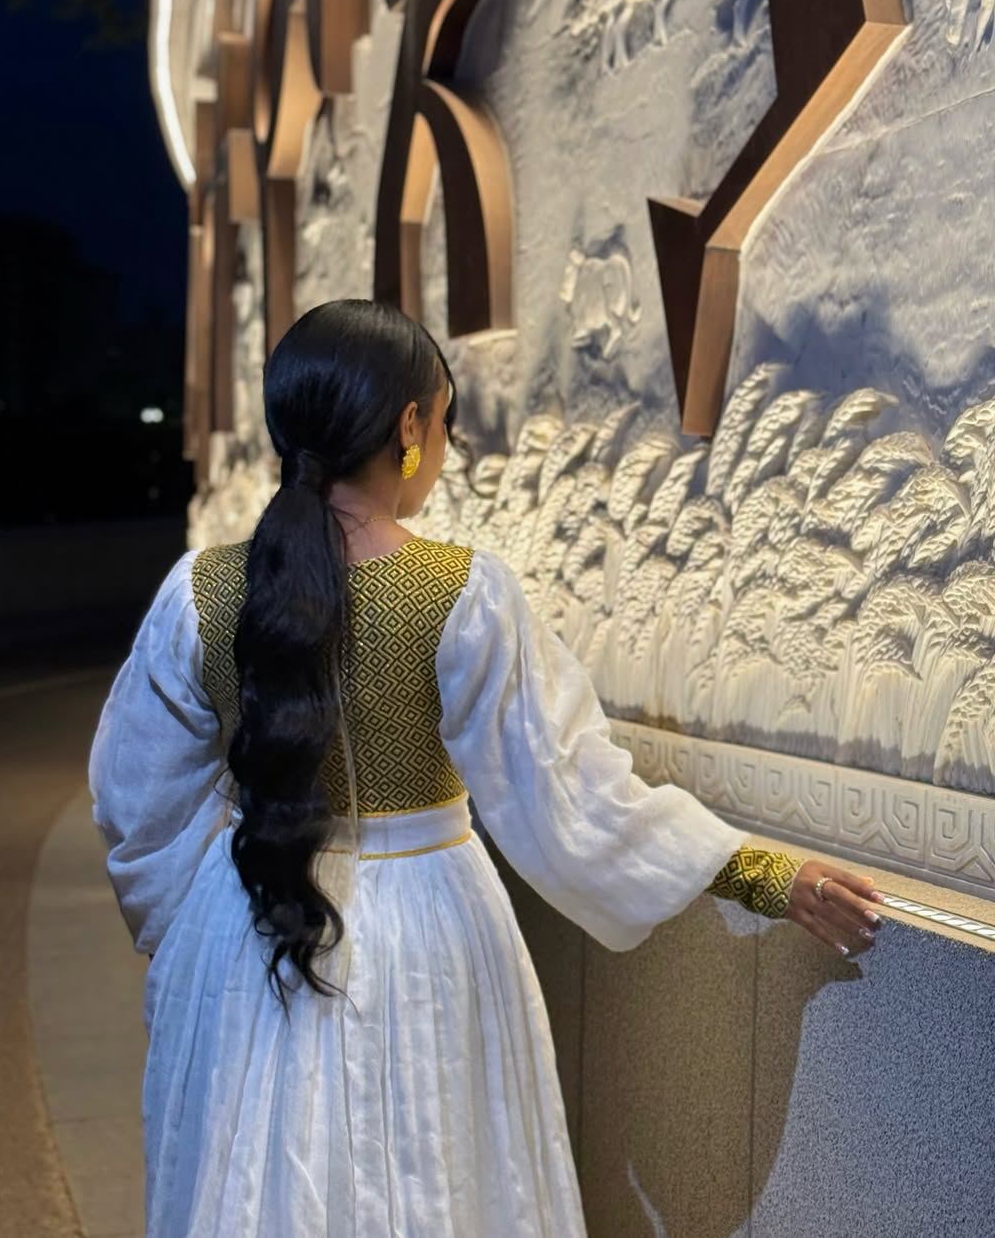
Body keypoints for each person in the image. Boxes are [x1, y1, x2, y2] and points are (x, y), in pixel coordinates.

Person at [89, 299, 884, 1238]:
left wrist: (197, 937)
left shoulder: (198, 593)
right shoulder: (461, 594)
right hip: (428, 935)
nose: (444, 445)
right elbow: (577, 800)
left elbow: (135, 803)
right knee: (438, 1184)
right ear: (410, 429)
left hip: (250, 922)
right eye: (445, 420)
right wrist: (759, 873)